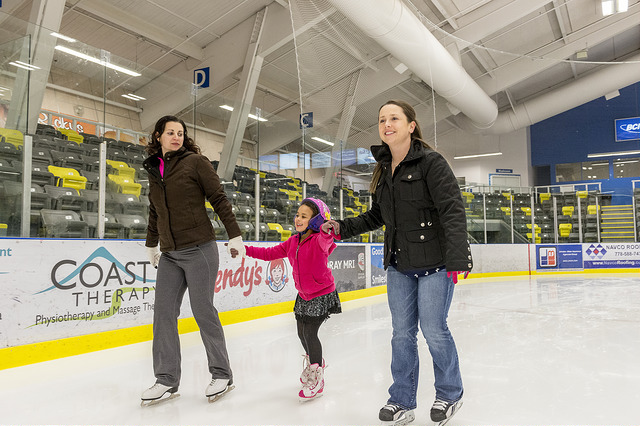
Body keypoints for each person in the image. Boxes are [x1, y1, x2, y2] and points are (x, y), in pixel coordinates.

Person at [321, 100, 472, 425]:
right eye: (381, 120)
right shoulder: (385, 167)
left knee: (433, 329)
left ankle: (449, 393)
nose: (387, 124)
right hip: (399, 264)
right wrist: (342, 227)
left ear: (411, 125)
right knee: (401, 334)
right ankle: (401, 399)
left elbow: (452, 209)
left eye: (394, 118)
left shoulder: (432, 162)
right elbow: (379, 215)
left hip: (436, 262)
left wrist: (459, 258)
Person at [140, 115, 245, 405]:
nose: (176, 136)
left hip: (200, 249)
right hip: (171, 254)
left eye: (181, 133)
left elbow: (219, 198)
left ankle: (222, 373)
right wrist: (152, 245)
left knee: (202, 310)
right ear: (158, 136)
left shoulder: (196, 163)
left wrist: (234, 235)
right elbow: (155, 210)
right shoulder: (154, 169)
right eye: (170, 132)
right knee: (163, 314)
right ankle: (165, 380)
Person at [239, 198, 341, 401]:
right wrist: (245, 250)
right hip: (303, 295)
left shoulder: (319, 240)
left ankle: (317, 378)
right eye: (297, 215)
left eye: (304, 216)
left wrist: (325, 231)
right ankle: (316, 362)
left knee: (310, 333)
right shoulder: (293, 241)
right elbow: (270, 253)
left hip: (321, 294)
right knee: (301, 333)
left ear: (315, 220)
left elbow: (325, 241)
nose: (297, 219)